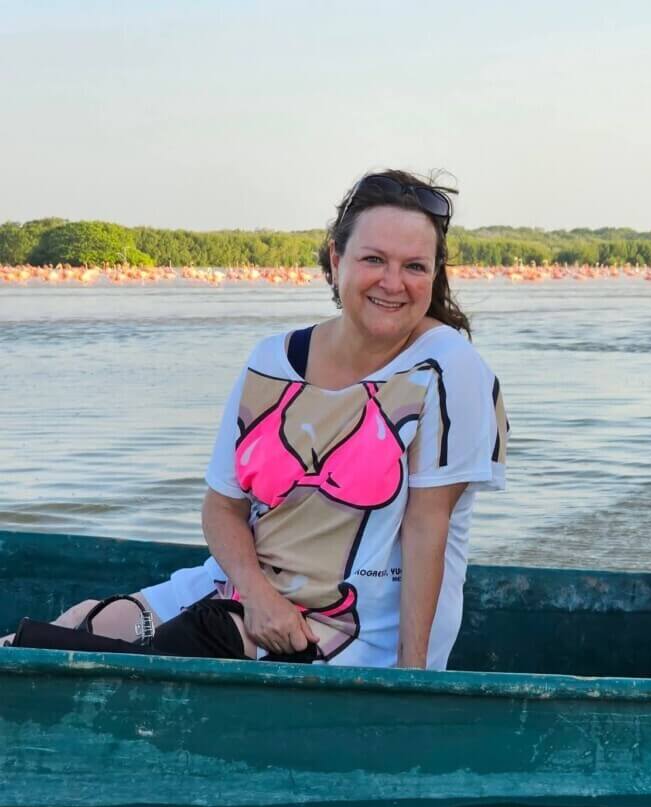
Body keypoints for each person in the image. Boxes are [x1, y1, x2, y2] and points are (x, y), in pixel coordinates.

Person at [7, 170, 507, 669]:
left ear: (434, 274)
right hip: (243, 591)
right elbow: (222, 508)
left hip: (354, 631)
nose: (393, 283)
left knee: (193, 640)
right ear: (337, 260)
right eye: (373, 259)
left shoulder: (448, 368)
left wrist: (411, 682)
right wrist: (259, 595)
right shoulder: (272, 361)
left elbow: (428, 529)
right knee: (84, 625)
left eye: (414, 266)